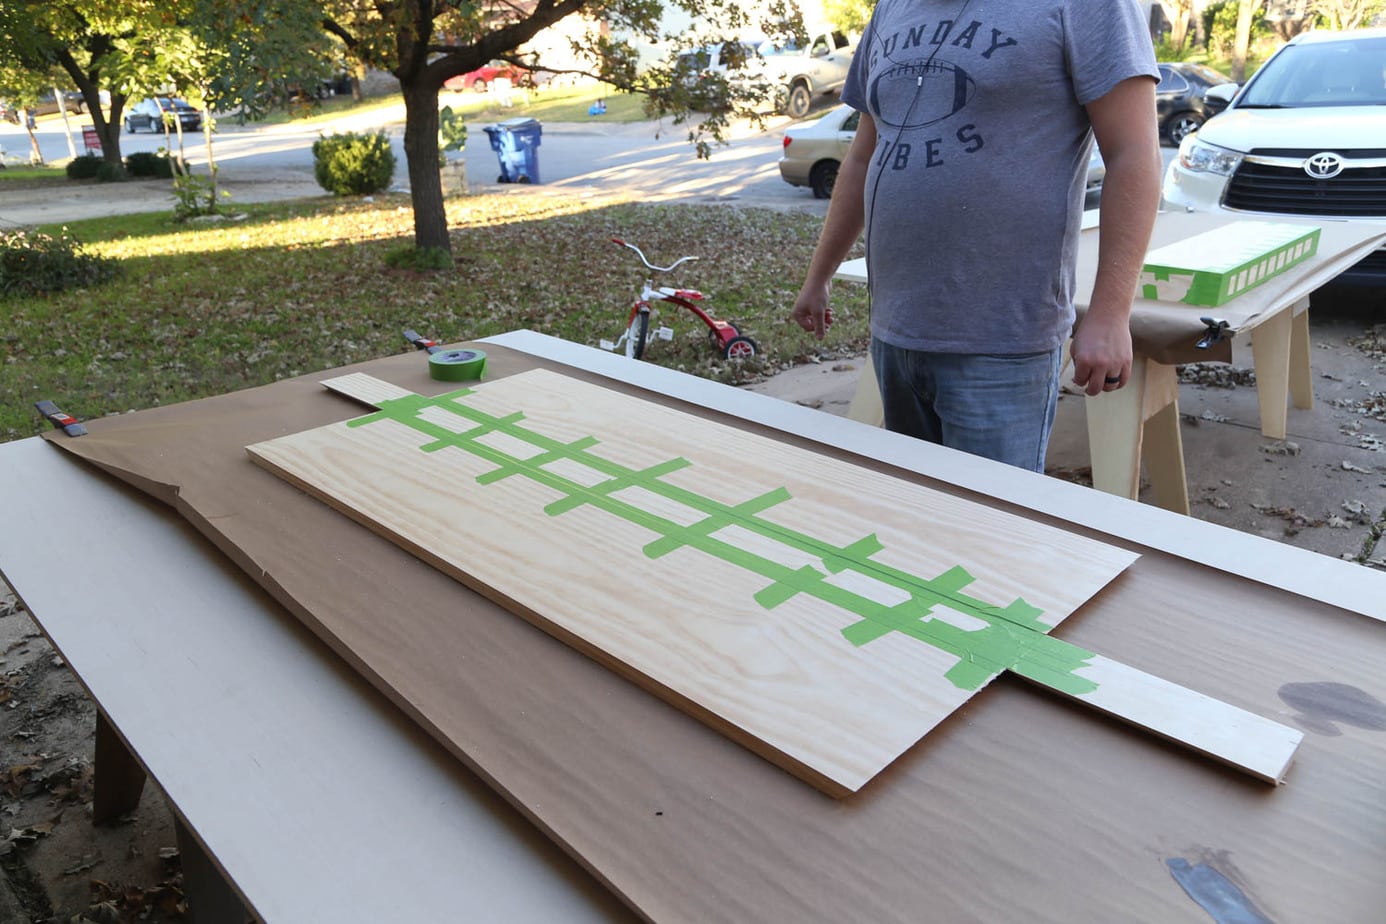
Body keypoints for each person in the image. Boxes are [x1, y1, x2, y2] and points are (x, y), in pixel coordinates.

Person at [790, 1, 1163, 472]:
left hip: (1002, 343)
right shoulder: (892, 7)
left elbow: (1135, 155)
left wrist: (1111, 314)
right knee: (920, 511)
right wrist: (819, 274)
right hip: (896, 330)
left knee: (994, 532)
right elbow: (865, 155)